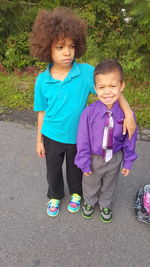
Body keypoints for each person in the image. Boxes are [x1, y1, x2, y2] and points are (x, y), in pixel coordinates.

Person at [30, 7, 136, 217]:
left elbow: (109, 89)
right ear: (46, 48)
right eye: (60, 47)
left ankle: (77, 194)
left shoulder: (86, 72)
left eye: (71, 46)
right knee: (53, 170)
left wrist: (129, 113)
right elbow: (41, 112)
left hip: (79, 137)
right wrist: (39, 139)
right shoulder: (42, 80)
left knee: (76, 168)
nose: (67, 52)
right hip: (51, 135)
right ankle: (54, 196)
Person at [75, 59, 137, 222]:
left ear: (121, 86)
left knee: (110, 183)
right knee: (90, 182)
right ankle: (89, 202)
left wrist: (128, 161)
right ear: (95, 89)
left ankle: (105, 204)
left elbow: (130, 139)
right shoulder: (88, 113)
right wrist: (84, 161)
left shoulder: (127, 115)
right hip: (94, 157)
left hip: (115, 157)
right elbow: (82, 140)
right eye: (102, 87)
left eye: (112, 86)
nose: (107, 92)